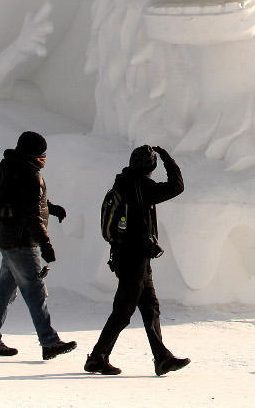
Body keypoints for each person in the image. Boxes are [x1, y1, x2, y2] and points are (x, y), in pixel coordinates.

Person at [85, 145, 190, 376]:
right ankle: (97, 357)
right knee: (123, 311)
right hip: (135, 260)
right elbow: (177, 187)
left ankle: (162, 358)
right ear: (150, 166)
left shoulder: (122, 182)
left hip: (127, 256)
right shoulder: (142, 186)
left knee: (150, 308)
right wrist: (168, 159)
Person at [0, 130, 76, 360]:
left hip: (8, 241)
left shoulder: (10, 167)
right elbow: (31, 214)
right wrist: (46, 245)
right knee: (35, 292)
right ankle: (49, 342)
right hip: (23, 243)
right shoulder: (30, 175)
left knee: (3, 293)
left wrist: (50, 207)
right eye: (42, 154)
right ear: (35, 154)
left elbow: (25, 201)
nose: (44, 159)